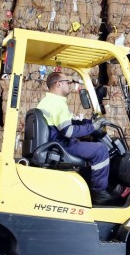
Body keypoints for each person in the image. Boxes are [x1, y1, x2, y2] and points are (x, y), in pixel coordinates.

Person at [36, 72, 113, 204]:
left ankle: (89, 184)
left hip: (54, 143)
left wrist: (90, 123)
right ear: (58, 84)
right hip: (62, 145)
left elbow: (67, 123)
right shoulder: (57, 103)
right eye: (68, 82)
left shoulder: (48, 101)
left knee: (89, 145)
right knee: (100, 150)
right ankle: (99, 193)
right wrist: (93, 127)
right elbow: (69, 131)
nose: (70, 85)